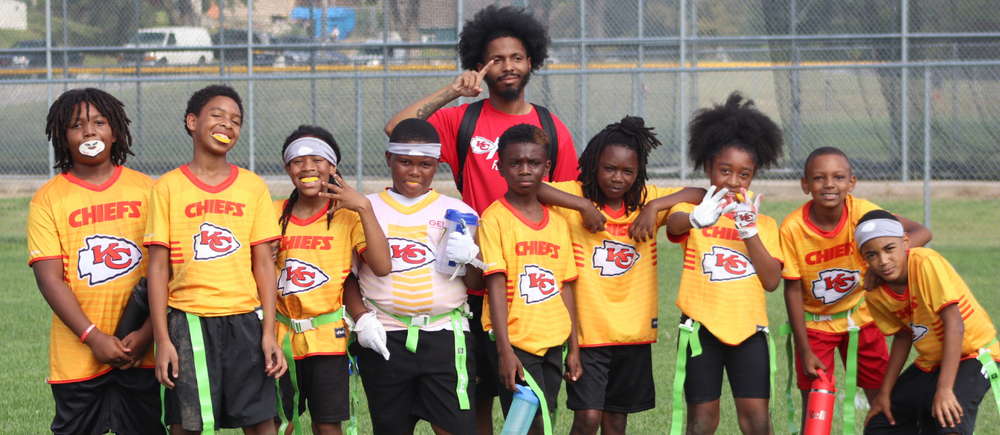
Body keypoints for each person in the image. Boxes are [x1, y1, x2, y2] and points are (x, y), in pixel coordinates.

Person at [384, 8, 582, 427]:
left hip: (531, 283)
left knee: (525, 400)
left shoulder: (550, 126)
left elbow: (564, 198)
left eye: (517, 57)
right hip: (474, 273)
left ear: (531, 62)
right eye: (496, 59)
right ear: (480, 65)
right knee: (477, 396)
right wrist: (452, 92)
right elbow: (398, 129)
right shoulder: (464, 120)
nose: (508, 66)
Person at [538, 116, 704, 435]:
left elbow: (699, 192)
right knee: (587, 418)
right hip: (587, 333)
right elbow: (535, 186)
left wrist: (654, 207)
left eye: (628, 171)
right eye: (609, 168)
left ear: (638, 172)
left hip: (633, 331)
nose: (618, 178)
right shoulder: (574, 195)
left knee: (616, 422)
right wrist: (582, 206)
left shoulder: (645, 200)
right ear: (593, 164)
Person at [145, 84, 287, 434]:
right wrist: (163, 340)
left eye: (236, 120)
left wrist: (268, 332)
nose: (227, 124)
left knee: (260, 422)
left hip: (244, 323)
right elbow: (158, 268)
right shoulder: (167, 187)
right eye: (217, 115)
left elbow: (264, 265)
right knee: (187, 424)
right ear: (192, 122)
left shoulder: (252, 187)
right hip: (189, 322)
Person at [28, 88, 163, 435]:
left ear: (114, 131)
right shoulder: (48, 199)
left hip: (141, 351)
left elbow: (166, 270)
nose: (89, 132)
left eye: (99, 122)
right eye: (77, 125)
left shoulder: (149, 190)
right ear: (62, 136)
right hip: (77, 356)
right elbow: (49, 279)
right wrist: (93, 337)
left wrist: (147, 334)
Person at [342, 118, 485, 435]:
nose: (415, 171)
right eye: (405, 162)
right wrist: (362, 318)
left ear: (437, 165)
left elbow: (476, 284)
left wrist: (472, 258)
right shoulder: (365, 208)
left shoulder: (458, 210)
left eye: (426, 164)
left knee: (457, 428)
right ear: (389, 159)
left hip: (447, 334)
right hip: (384, 334)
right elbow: (347, 276)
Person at [779, 146, 932, 433]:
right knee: (816, 410)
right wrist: (804, 347)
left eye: (838, 177)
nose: (829, 185)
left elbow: (921, 232)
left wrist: (879, 266)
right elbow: (792, 290)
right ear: (805, 184)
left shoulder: (864, 213)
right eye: (819, 178)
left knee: (884, 399)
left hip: (860, 318)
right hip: (816, 326)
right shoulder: (793, 228)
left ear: (851, 183)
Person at [666, 92, 785, 435]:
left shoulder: (764, 224)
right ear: (708, 168)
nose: (733, 181)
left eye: (743, 174)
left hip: (749, 331)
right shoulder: (697, 214)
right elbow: (674, 225)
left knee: (758, 421)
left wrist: (749, 231)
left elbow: (772, 280)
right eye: (724, 170)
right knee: (702, 422)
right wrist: (694, 219)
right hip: (701, 330)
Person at [272, 125, 391, 435]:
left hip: (328, 339)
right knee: (279, 421)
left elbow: (381, 266)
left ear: (333, 167)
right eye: (298, 161)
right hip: (279, 337)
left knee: (327, 424)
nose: (308, 167)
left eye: (318, 159)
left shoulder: (347, 215)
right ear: (288, 168)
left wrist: (364, 206)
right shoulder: (273, 213)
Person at [856, 210, 999, 435]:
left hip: (975, 353)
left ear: (905, 241)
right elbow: (903, 335)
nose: (883, 261)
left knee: (949, 420)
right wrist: (885, 392)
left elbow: (955, 324)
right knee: (881, 424)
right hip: (932, 361)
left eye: (889, 249)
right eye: (872, 255)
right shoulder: (874, 293)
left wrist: (943, 389)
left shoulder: (925, 263)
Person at [480, 124, 581, 435]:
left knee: (545, 417)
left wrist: (573, 347)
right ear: (500, 166)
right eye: (515, 163)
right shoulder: (493, 219)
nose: (525, 170)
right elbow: (495, 285)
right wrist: (504, 351)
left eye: (534, 163)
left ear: (546, 167)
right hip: (516, 343)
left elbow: (565, 286)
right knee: (528, 424)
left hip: (552, 341)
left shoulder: (560, 222)